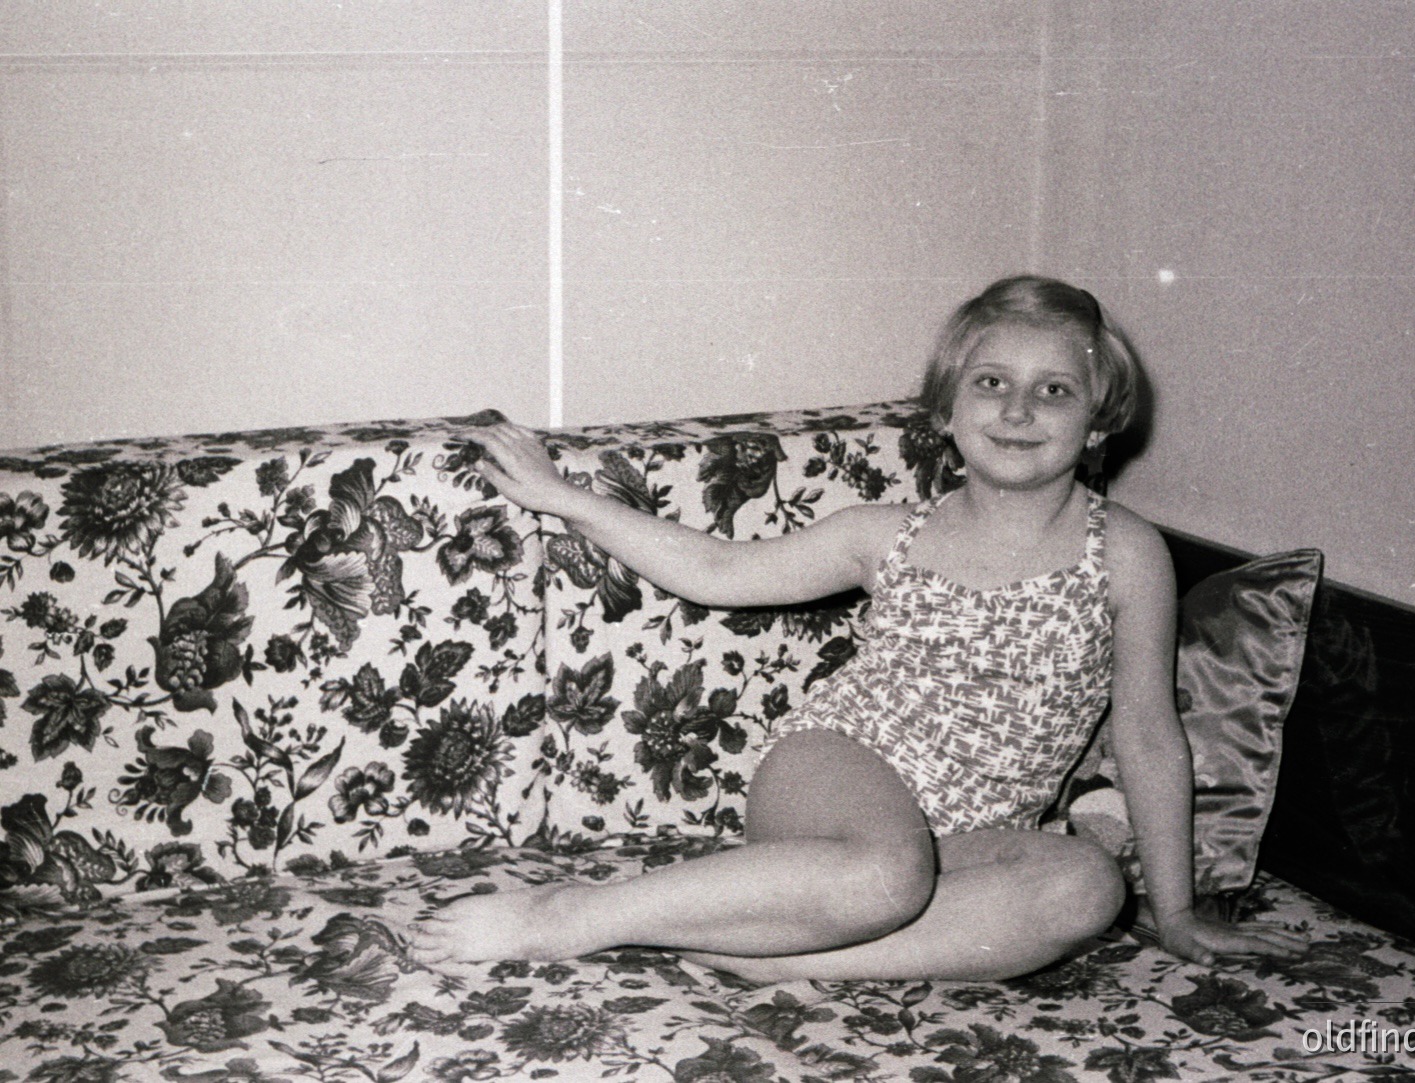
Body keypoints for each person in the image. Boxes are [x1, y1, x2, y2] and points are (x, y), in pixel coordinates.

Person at [412, 276, 1308, 981]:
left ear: (1099, 420)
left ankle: (786, 958)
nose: (1018, 409)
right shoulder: (885, 534)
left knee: (1085, 885)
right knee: (884, 870)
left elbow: (1148, 733)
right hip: (835, 770)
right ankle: (569, 916)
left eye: (1055, 389)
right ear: (945, 410)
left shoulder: (1125, 553)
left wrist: (1181, 909)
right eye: (990, 383)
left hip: (968, 836)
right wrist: (559, 495)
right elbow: (718, 570)